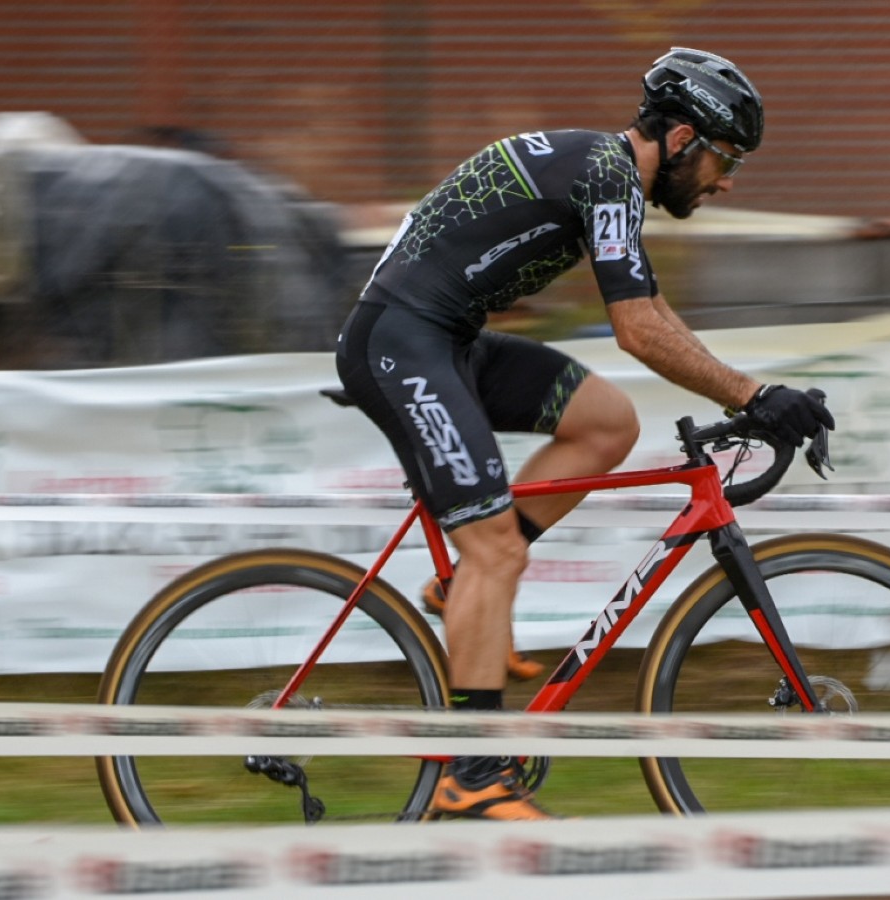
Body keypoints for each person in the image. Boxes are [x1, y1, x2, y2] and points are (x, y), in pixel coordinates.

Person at [335, 47, 834, 820]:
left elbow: (652, 311)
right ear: (679, 141)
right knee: (494, 543)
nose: (727, 180)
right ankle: (471, 774)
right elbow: (638, 332)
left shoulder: (607, 176)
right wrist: (755, 394)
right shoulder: (607, 174)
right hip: (402, 343)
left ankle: (468, 586)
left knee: (607, 423)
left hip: (445, 339)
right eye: (724, 158)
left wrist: (755, 392)